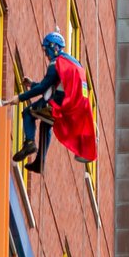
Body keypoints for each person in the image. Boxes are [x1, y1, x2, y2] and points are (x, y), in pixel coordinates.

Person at [6, 32, 96, 173]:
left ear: (53, 47)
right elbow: (51, 85)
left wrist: (20, 98)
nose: (46, 55)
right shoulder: (72, 63)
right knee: (45, 124)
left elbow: (44, 88)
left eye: (46, 49)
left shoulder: (56, 63)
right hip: (69, 105)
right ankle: (39, 163)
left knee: (27, 113)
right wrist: (32, 84)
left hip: (57, 103)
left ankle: (29, 143)